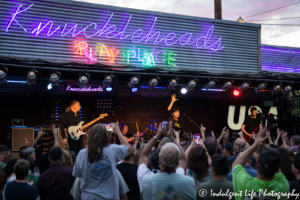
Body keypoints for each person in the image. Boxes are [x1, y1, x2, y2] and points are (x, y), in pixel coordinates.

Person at [73, 123, 130, 200]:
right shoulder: (113, 150)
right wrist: (118, 132)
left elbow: (78, 175)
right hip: (110, 197)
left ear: (90, 137)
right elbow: (127, 148)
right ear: (107, 136)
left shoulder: (82, 154)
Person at [232, 128, 289, 200]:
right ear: (277, 169)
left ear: (257, 163)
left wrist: (255, 144)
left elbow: (235, 165)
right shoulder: (283, 187)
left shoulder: (244, 183)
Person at [137, 122, 186, 191]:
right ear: (176, 163)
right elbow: (183, 158)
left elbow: (143, 154)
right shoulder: (179, 175)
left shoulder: (145, 178)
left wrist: (156, 136)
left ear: (150, 164)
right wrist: (172, 138)